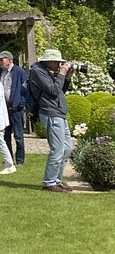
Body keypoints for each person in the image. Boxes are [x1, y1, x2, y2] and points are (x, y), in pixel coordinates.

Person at [28, 48, 74, 192]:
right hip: (50, 113)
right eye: (58, 62)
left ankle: (57, 180)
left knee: (67, 148)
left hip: (59, 112)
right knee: (58, 149)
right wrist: (61, 74)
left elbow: (60, 91)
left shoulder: (50, 72)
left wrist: (66, 77)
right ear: (50, 61)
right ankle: (49, 182)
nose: (60, 65)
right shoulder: (38, 72)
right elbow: (53, 91)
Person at [0, 49, 29, 166]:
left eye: (1, 59)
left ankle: (19, 160)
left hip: (16, 108)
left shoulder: (19, 72)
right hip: (3, 108)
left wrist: (21, 103)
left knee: (18, 135)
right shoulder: (0, 73)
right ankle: (9, 159)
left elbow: (26, 88)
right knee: (5, 135)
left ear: (9, 60)